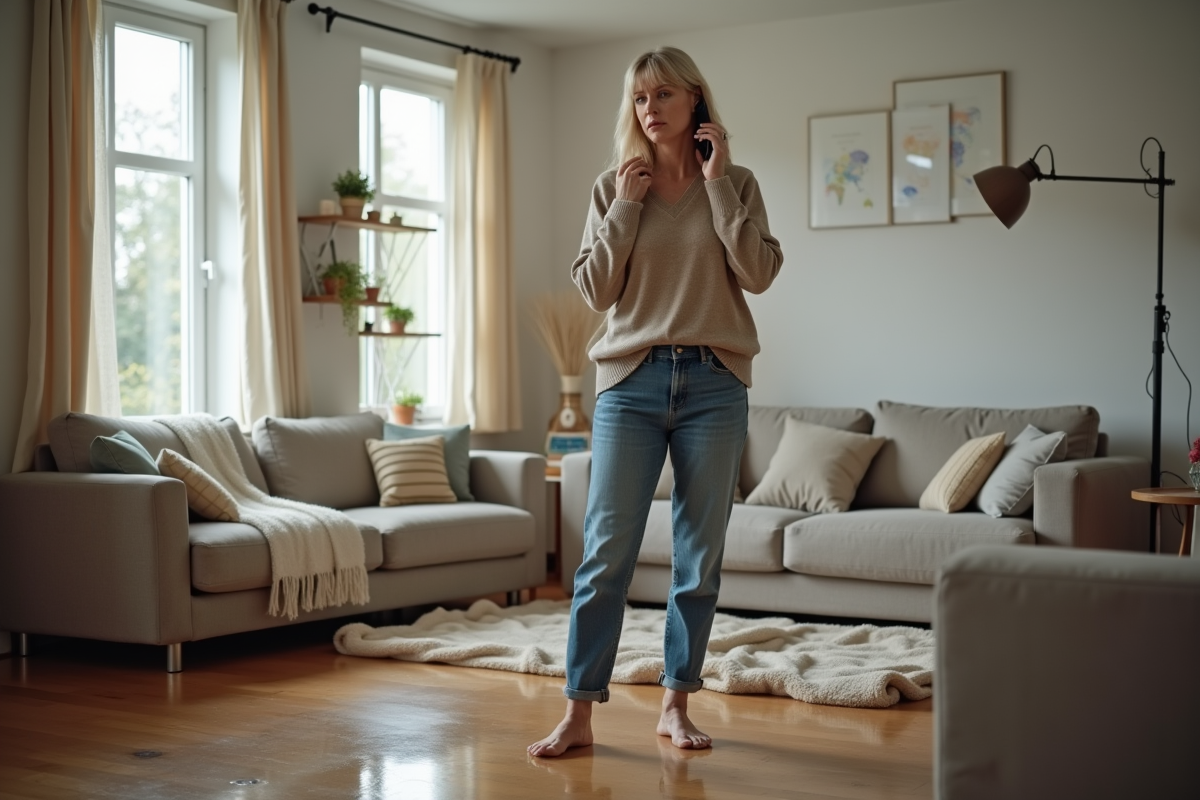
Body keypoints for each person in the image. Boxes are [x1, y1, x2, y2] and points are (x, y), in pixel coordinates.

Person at [528, 46, 783, 758]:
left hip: (714, 382)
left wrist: (718, 184)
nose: (650, 109)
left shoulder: (736, 182)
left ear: (695, 100)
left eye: (664, 94)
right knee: (604, 556)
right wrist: (627, 207)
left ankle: (676, 705)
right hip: (630, 383)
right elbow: (596, 290)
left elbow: (759, 272)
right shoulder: (614, 187)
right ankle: (578, 713)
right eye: (640, 98)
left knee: (698, 559)